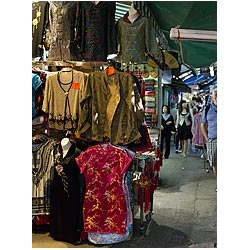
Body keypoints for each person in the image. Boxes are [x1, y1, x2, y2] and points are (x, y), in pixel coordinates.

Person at [200, 88, 217, 177]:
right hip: (212, 139)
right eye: (216, 96)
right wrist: (207, 138)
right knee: (214, 163)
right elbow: (202, 125)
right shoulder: (207, 109)